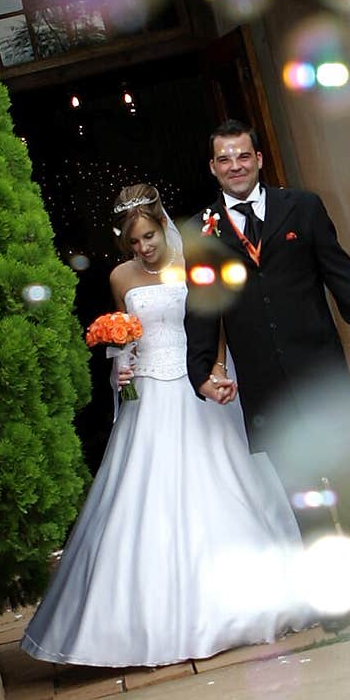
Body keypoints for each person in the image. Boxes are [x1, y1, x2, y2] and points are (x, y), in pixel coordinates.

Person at [21, 183, 313, 669]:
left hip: (196, 382)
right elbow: (125, 333)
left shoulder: (190, 265)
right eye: (134, 242)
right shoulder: (119, 278)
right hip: (151, 393)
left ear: (163, 227)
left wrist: (215, 370)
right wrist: (119, 362)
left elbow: (216, 323)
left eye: (150, 237)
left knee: (224, 483)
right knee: (147, 497)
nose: (144, 248)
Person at [185, 120, 350, 624]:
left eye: (242, 156)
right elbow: (201, 308)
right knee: (304, 497)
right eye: (224, 159)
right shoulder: (203, 231)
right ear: (213, 168)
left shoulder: (303, 207)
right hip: (266, 381)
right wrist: (201, 373)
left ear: (258, 158)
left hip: (319, 371)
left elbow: (339, 272)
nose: (235, 166)